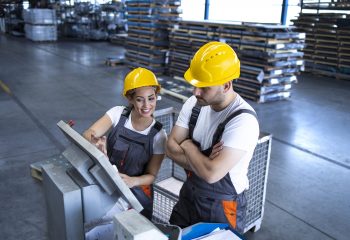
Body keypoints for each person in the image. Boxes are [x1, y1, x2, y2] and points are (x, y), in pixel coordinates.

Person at [166, 41, 260, 234]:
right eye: (195, 85)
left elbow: (212, 174)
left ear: (226, 85)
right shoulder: (194, 104)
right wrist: (204, 162)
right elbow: (170, 148)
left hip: (221, 207)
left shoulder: (242, 121)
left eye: (204, 88)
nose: (195, 92)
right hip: (188, 196)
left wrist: (189, 146)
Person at [83, 67, 167, 220]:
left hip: (137, 194)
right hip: (109, 183)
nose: (146, 105)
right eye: (140, 99)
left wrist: (133, 181)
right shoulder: (117, 114)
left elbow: (152, 175)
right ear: (130, 99)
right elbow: (88, 133)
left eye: (151, 98)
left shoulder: (159, 135)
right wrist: (96, 143)